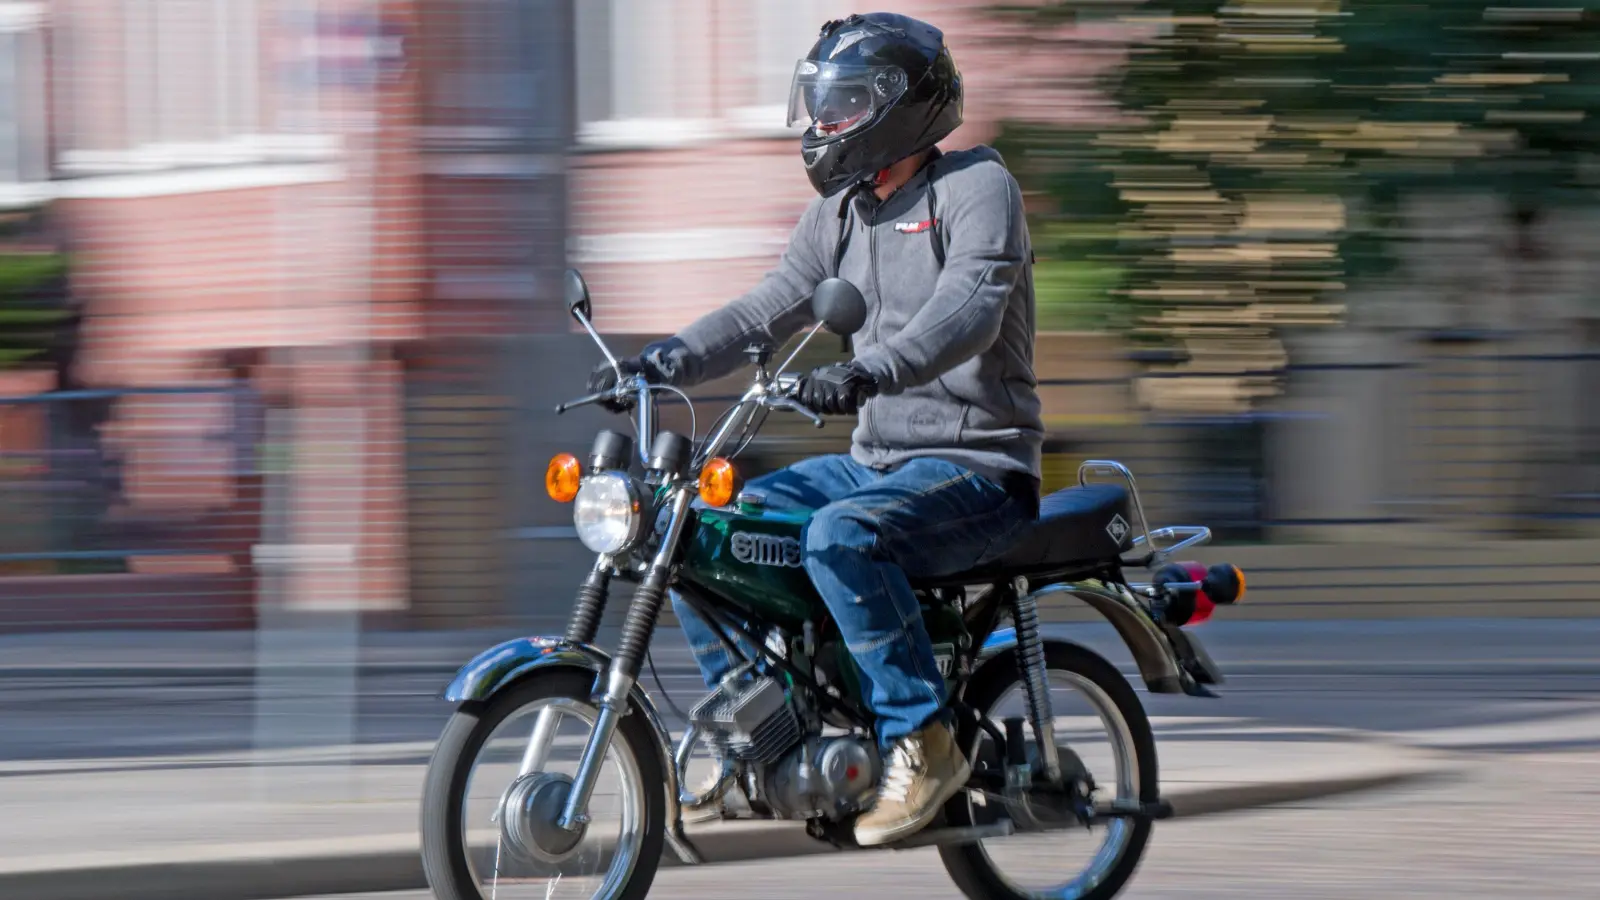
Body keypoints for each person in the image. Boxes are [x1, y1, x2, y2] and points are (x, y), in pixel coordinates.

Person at [587, 12, 1042, 847]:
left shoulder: (976, 188)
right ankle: (758, 739)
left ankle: (924, 738)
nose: (823, 127)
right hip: (879, 466)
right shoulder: (841, 215)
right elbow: (767, 305)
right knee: (702, 526)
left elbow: (968, 312)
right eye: (819, 109)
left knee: (841, 538)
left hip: (977, 469)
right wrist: (659, 361)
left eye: (840, 109)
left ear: (898, 107)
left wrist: (869, 370)